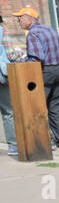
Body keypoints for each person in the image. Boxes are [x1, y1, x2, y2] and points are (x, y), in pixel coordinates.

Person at [14, 7, 59, 148]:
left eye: (20, 18)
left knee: (39, 107)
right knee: (55, 107)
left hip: (46, 73)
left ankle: (48, 142)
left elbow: (37, 59)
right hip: (58, 71)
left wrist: (20, 62)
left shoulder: (33, 34)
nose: (18, 21)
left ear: (29, 19)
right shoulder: (49, 30)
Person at [0, 14, 14, 156]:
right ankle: (13, 146)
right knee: (8, 112)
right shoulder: (2, 32)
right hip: (2, 78)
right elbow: (11, 54)